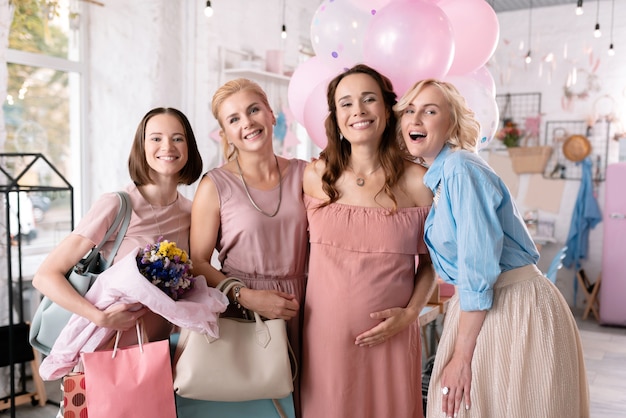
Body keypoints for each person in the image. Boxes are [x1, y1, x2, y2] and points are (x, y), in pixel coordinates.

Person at [395, 79, 590, 418]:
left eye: (430, 111)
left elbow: (478, 267)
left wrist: (462, 357)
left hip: (508, 305)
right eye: (410, 110)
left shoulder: (459, 169)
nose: (416, 119)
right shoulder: (442, 175)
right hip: (493, 305)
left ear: (452, 123)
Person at [300, 64, 436, 418]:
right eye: (345, 103)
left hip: (391, 338)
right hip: (325, 340)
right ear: (336, 118)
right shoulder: (316, 176)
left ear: (387, 111)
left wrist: (410, 314)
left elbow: (434, 263)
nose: (357, 110)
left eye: (368, 99)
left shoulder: (419, 182)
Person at [32, 107, 204, 348]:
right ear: (142, 147)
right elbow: (45, 276)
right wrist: (99, 317)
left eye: (178, 138)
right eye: (156, 138)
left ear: (189, 149)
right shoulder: (116, 205)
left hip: (163, 350)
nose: (167, 147)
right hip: (108, 353)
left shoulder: (192, 212)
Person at [188, 78, 308, 415]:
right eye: (234, 119)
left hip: (306, 308)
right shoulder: (215, 185)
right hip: (245, 316)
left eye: (254, 110)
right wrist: (246, 296)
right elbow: (197, 261)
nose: (248, 123)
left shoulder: (306, 173)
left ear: (271, 114)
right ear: (225, 133)